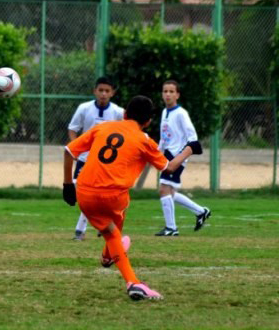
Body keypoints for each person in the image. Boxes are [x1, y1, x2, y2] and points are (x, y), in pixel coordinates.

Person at [62, 95, 202, 300]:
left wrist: (67, 186)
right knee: (114, 230)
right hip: (113, 196)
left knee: (112, 231)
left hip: (84, 192)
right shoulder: (144, 140)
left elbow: (68, 151)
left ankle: (108, 255)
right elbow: (170, 167)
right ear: (147, 122)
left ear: (125, 114)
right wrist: (190, 148)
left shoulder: (104, 127)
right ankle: (133, 282)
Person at [67, 77, 123, 241]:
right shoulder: (84, 108)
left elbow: (126, 131)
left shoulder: (118, 112)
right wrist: (76, 149)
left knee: (95, 195)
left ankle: (80, 231)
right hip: (85, 159)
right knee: (82, 191)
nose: (103, 94)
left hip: (106, 162)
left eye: (107, 91)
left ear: (112, 93)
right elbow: (72, 129)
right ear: (95, 91)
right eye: (101, 90)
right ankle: (103, 224)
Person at [155, 80, 211, 236]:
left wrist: (181, 156)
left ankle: (171, 228)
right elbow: (164, 137)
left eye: (171, 91)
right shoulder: (164, 112)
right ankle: (201, 211)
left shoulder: (181, 113)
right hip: (167, 156)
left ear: (177, 95)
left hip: (177, 158)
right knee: (169, 192)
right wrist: (157, 152)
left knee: (164, 189)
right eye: (165, 91)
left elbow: (192, 137)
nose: (168, 94)